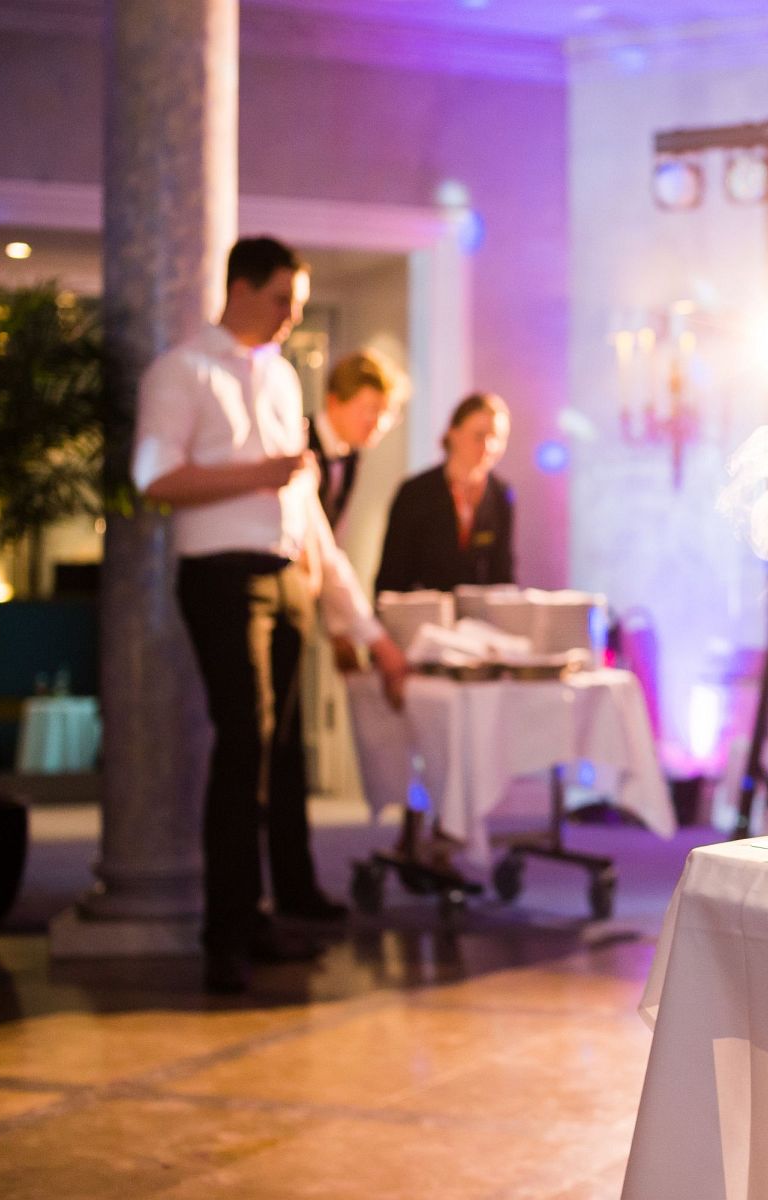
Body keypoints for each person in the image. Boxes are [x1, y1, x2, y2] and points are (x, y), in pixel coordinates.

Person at [131, 236, 410, 994]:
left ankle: (261, 916)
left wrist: (360, 626)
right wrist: (259, 474)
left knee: (282, 755)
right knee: (244, 746)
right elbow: (152, 476)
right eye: (284, 298)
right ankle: (223, 934)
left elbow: (304, 505)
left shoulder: (285, 378)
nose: (292, 315)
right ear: (243, 288)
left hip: (289, 576)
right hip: (222, 576)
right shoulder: (182, 369)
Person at [310, 349, 404, 671]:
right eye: (369, 409)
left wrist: (339, 629)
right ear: (334, 402)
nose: (377, 422)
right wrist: (369, 637)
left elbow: (334, 540)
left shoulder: (350, 458)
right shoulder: (301, 444)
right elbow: (320, 547)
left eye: (384, 411)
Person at [375, 392, 516, 593]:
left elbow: (503, 576)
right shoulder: (414, 492)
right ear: (453, 434)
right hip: (420, 616)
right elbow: (391, 577)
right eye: (479, 436)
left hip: (478, 620)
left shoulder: (502, 495)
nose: (488, 447)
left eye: (497, 438)